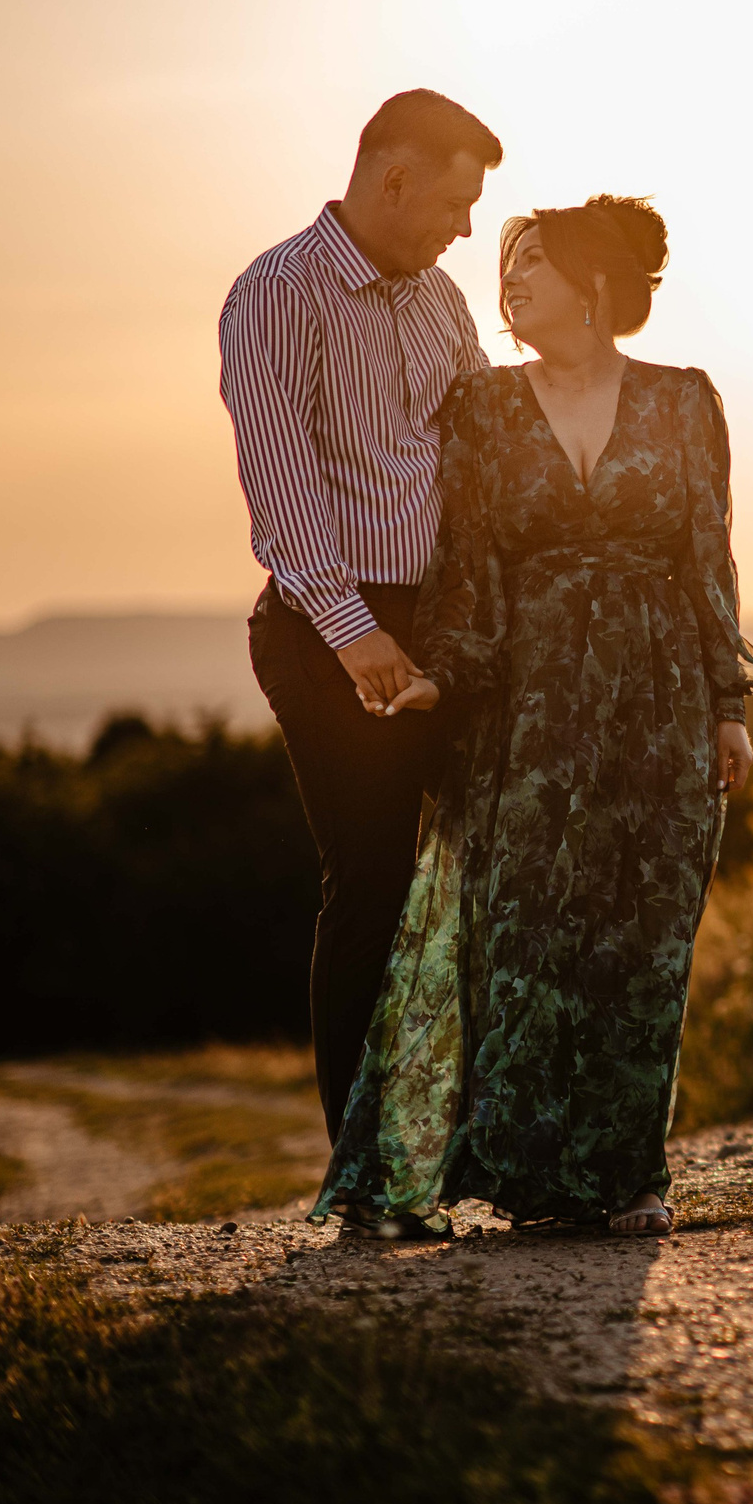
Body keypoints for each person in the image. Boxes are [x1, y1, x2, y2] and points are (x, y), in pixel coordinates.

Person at [312, 194, 753, 1238]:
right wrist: (444, 676)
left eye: (533, 263)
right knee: (521, 928)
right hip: (524, 706)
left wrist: (725, 707)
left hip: (657, 700)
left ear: (594, 284)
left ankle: (626, 1173)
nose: (509, 281)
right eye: (506, 265)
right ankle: (528, 1176)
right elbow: (467, 566)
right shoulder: (480, 409)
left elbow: (710, 561)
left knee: (640, 934)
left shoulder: (686, 401)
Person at [221, 89, 500, 1141]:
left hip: (445, 623)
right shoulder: (277, 294)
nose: (465, 226)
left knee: (486, 871)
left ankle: (478, 1142)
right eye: (457, 200)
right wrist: (355, 636)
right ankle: (368, 1167)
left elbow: (477, 463)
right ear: (393, 180)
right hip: (324, 625)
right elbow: (281, 486)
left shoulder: (443, 301)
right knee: (375, 880)